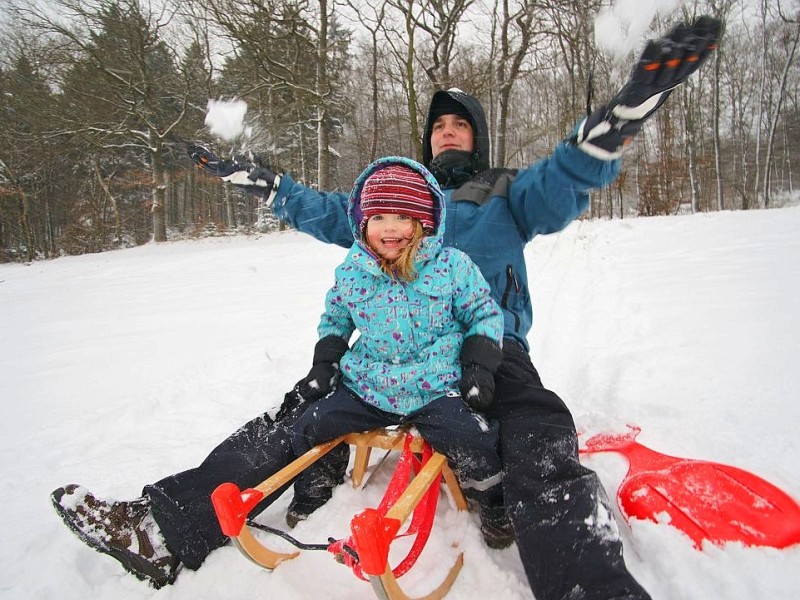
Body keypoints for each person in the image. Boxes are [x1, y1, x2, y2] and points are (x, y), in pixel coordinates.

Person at [51, 16, 721, 600]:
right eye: (440, 125)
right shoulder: (394, 206)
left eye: (461, 123)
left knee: (541, 433)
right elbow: (325, 210)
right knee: (292, 414)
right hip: (391, 355)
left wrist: (618, 120)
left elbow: (564, 177)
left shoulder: (506, 193)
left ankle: (591, 587)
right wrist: (261, 182)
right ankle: (163, 525)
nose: (449, 131)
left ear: (477, 138)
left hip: (490, 349)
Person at [290, 157, 510, 549]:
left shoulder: (452, 267)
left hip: (435, 382)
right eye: (377, 218)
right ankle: (316, 485)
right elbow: (336, 319)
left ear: (424, 223)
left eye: (402, 216)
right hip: (371, 383)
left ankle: (491, 497)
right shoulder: (352, 272)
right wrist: (325, 363)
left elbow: (483, 312)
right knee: (312, 423)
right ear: (363, 225)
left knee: (475, 439)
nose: (389, 228)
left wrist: (479, 366)